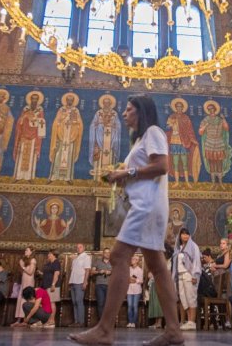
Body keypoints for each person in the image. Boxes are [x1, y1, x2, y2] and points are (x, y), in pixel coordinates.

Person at [69, 94, 183, 346]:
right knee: (158, 266)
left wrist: (126, 172)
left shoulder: (153, 132)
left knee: (118, 256)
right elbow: (143, 172)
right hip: (147, 204)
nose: (124, 113)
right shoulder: (141, 140)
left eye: (129, 109)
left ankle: (104, 330)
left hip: (146, 206)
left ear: (141, 112)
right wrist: (121, 177)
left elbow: (162, 166)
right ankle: (174, 330)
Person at [171, 227, 201, 330]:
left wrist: (195, 275)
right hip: (179, 276)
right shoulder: (178, 248)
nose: (185, 236)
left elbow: (197, 261)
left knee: (191, 298)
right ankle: (188, 321)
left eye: (187, 234)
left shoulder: (193, 246)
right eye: (183, 234)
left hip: (189, 275)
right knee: (183, 299)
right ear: (179, 236)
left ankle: (192, 322)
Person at [68, 243, 92, 328]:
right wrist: (70, 283)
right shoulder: (75, 259)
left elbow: (87, 270)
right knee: (74, 302)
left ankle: (81, 322)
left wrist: (85, 282)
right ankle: (76, 321)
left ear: (84, 248)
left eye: (80, 247)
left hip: (80, 282)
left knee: (79, 301)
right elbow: (73, 271)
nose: (78, 248)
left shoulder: (86, 257)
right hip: (73, 282)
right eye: (77, 247)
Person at [12, 247, 37, 327]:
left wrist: (22, 266)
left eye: (27, 250)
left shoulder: (33, 260)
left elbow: (30, 272)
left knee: (26, 299)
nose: (25, 251)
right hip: (23, 282)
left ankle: (26, 320)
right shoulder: (25, 260)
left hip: (29, 282)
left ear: (31, 252)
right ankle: (19, 320)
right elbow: (23, 272)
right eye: (25, 250)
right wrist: (21, 266)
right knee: (21, 299)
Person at [93, 248, 112, 319]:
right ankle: (101, 321)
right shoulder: (97, 261)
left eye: (108, 252)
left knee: (108, 304)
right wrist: (99, 271)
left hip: (110, 285)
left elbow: (117, 272)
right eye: (106, 252)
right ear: (103, 254)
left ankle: (107, 320)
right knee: (100, 303)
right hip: (99, 285)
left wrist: (111, 272)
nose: (107, 254)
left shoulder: (113, 262)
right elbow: (92, 271)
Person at [128, 255, 144, 327]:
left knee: (135, 306)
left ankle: (134, 322)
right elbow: (126, 278)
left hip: (137, 290)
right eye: (132, 259)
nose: (132, 260)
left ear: (137, 261)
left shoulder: (140, 270)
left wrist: (135, 280)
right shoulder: (128, 269)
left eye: (134, 259)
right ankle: (130, 321)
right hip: (129, 290)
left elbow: (141, 281)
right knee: (129, 306)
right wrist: (130, 279)